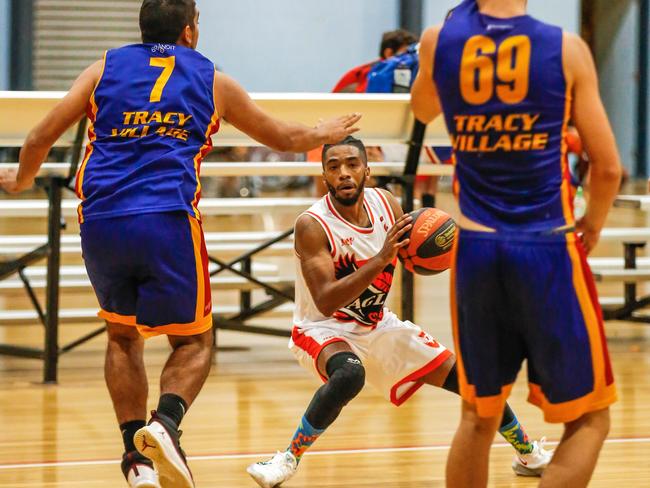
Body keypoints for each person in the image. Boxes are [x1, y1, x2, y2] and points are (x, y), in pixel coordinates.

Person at [0, 1, 360, 487]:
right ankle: (165, 425)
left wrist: (21, 180)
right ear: (191, 31)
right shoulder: (212, 78)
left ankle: (136, 459)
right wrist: (325, 131)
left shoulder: (104, 66)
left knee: (122, 336)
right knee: (194, 342)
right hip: (166, 219)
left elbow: (41, 135)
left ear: (141, 27)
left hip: (101, 219)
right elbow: (282, 137)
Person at [246, 136, 551, 488]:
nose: (344, 173)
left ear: (367, 170)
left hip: (378, 324)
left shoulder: (386, 204)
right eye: (334, 167)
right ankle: (286, 459)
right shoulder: (312, 225)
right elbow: (327, 300)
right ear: (325, 176)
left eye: (351, 164)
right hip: (322, 328)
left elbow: (417, 249)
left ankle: (528, 454)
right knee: (348, 375)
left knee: (471, 377)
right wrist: (380, 259)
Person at [411, 0, 622, 486]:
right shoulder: (567, 49)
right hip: (547, 246)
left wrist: (439, 48)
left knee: (477, 417)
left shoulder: (438, 40)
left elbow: (423, 108)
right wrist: (592, 223)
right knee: (590, 419)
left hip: (477, 252)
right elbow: (607, 167)